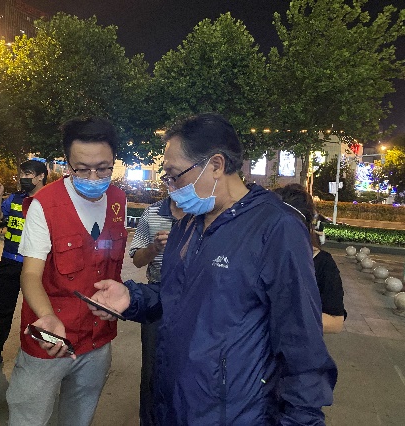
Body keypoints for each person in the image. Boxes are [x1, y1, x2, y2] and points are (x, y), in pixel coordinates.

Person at [88, 112, 337, 425]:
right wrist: (133, 298)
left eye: (175, 175)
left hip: (232, 413)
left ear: (216, 165)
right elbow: (178, 295)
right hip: (174, 402)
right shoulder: (188, 223)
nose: (170, 187)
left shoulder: (276, 228)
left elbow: (301, 342)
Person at [6, 117, 128, 426]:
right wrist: (46, 317)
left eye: (103, 168)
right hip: (50, 337)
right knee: (29, 417)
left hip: (98, 338)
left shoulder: (118, 200)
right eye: (82, 169)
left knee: (80, 417)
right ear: (67, 164)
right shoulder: (45, 204)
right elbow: (30, 275)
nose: (93, 177)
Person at [0, 159, 48, 372]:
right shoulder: (14, 199)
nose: (23, 178)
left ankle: (40, 356)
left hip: (38, 267)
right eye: (22, 174)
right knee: (2, 311)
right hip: (10, 263)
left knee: (38, 312)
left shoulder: (49, 201)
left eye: (28, 174)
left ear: (41, 176)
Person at [128, 196, 184, 426]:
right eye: (171, 179)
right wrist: (155, 248)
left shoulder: (207, 212)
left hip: (195, 297)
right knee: (153, 368)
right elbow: (137, 260)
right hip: (157, 296)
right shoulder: (152, 213)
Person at [274, 183, 346, 333]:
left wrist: (283, 316)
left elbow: (335, 322)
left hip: (294, 344)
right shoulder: (257, 255)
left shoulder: (322, 263)